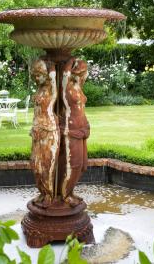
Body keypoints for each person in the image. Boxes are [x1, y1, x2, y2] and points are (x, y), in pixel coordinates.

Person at [58, 57, 90, 207]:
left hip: (82, 128)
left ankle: (70, 191)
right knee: (74, 164)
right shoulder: (67, 87)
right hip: (71, 129)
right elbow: (64, 75)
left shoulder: (78, 87)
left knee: (82, 164)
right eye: (83, 72)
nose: (85, 75)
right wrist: (70, 60)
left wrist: (86, 126)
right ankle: (65, 195)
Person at [30, 59, 60, 208]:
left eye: (39, 75)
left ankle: (49, 195)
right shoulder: (39, 90)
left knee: (47, 165)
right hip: (37, 132)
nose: (36, 78)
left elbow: (54, 82)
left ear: (45, 74)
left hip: (49, 131)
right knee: (36, 165)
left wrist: (52, 68)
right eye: (34, 76)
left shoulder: (51, 89)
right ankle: (42, 192)